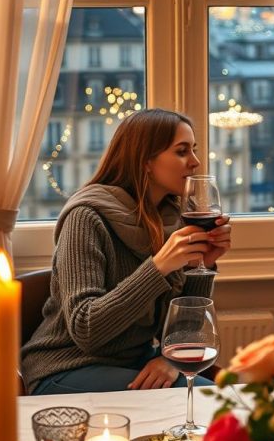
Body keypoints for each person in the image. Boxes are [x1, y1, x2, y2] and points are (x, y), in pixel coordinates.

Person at [21, 108, 232, 394]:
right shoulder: (86, 218)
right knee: (202, 405)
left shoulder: (173, 217)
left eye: (193, 150)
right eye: (182, 151)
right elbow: (87, 329)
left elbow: (180, 328)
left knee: (227, 400)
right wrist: (158, 267)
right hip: (67, 367)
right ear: (145, 161)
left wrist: (203, 266)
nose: (195, 162)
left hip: (133, 363)